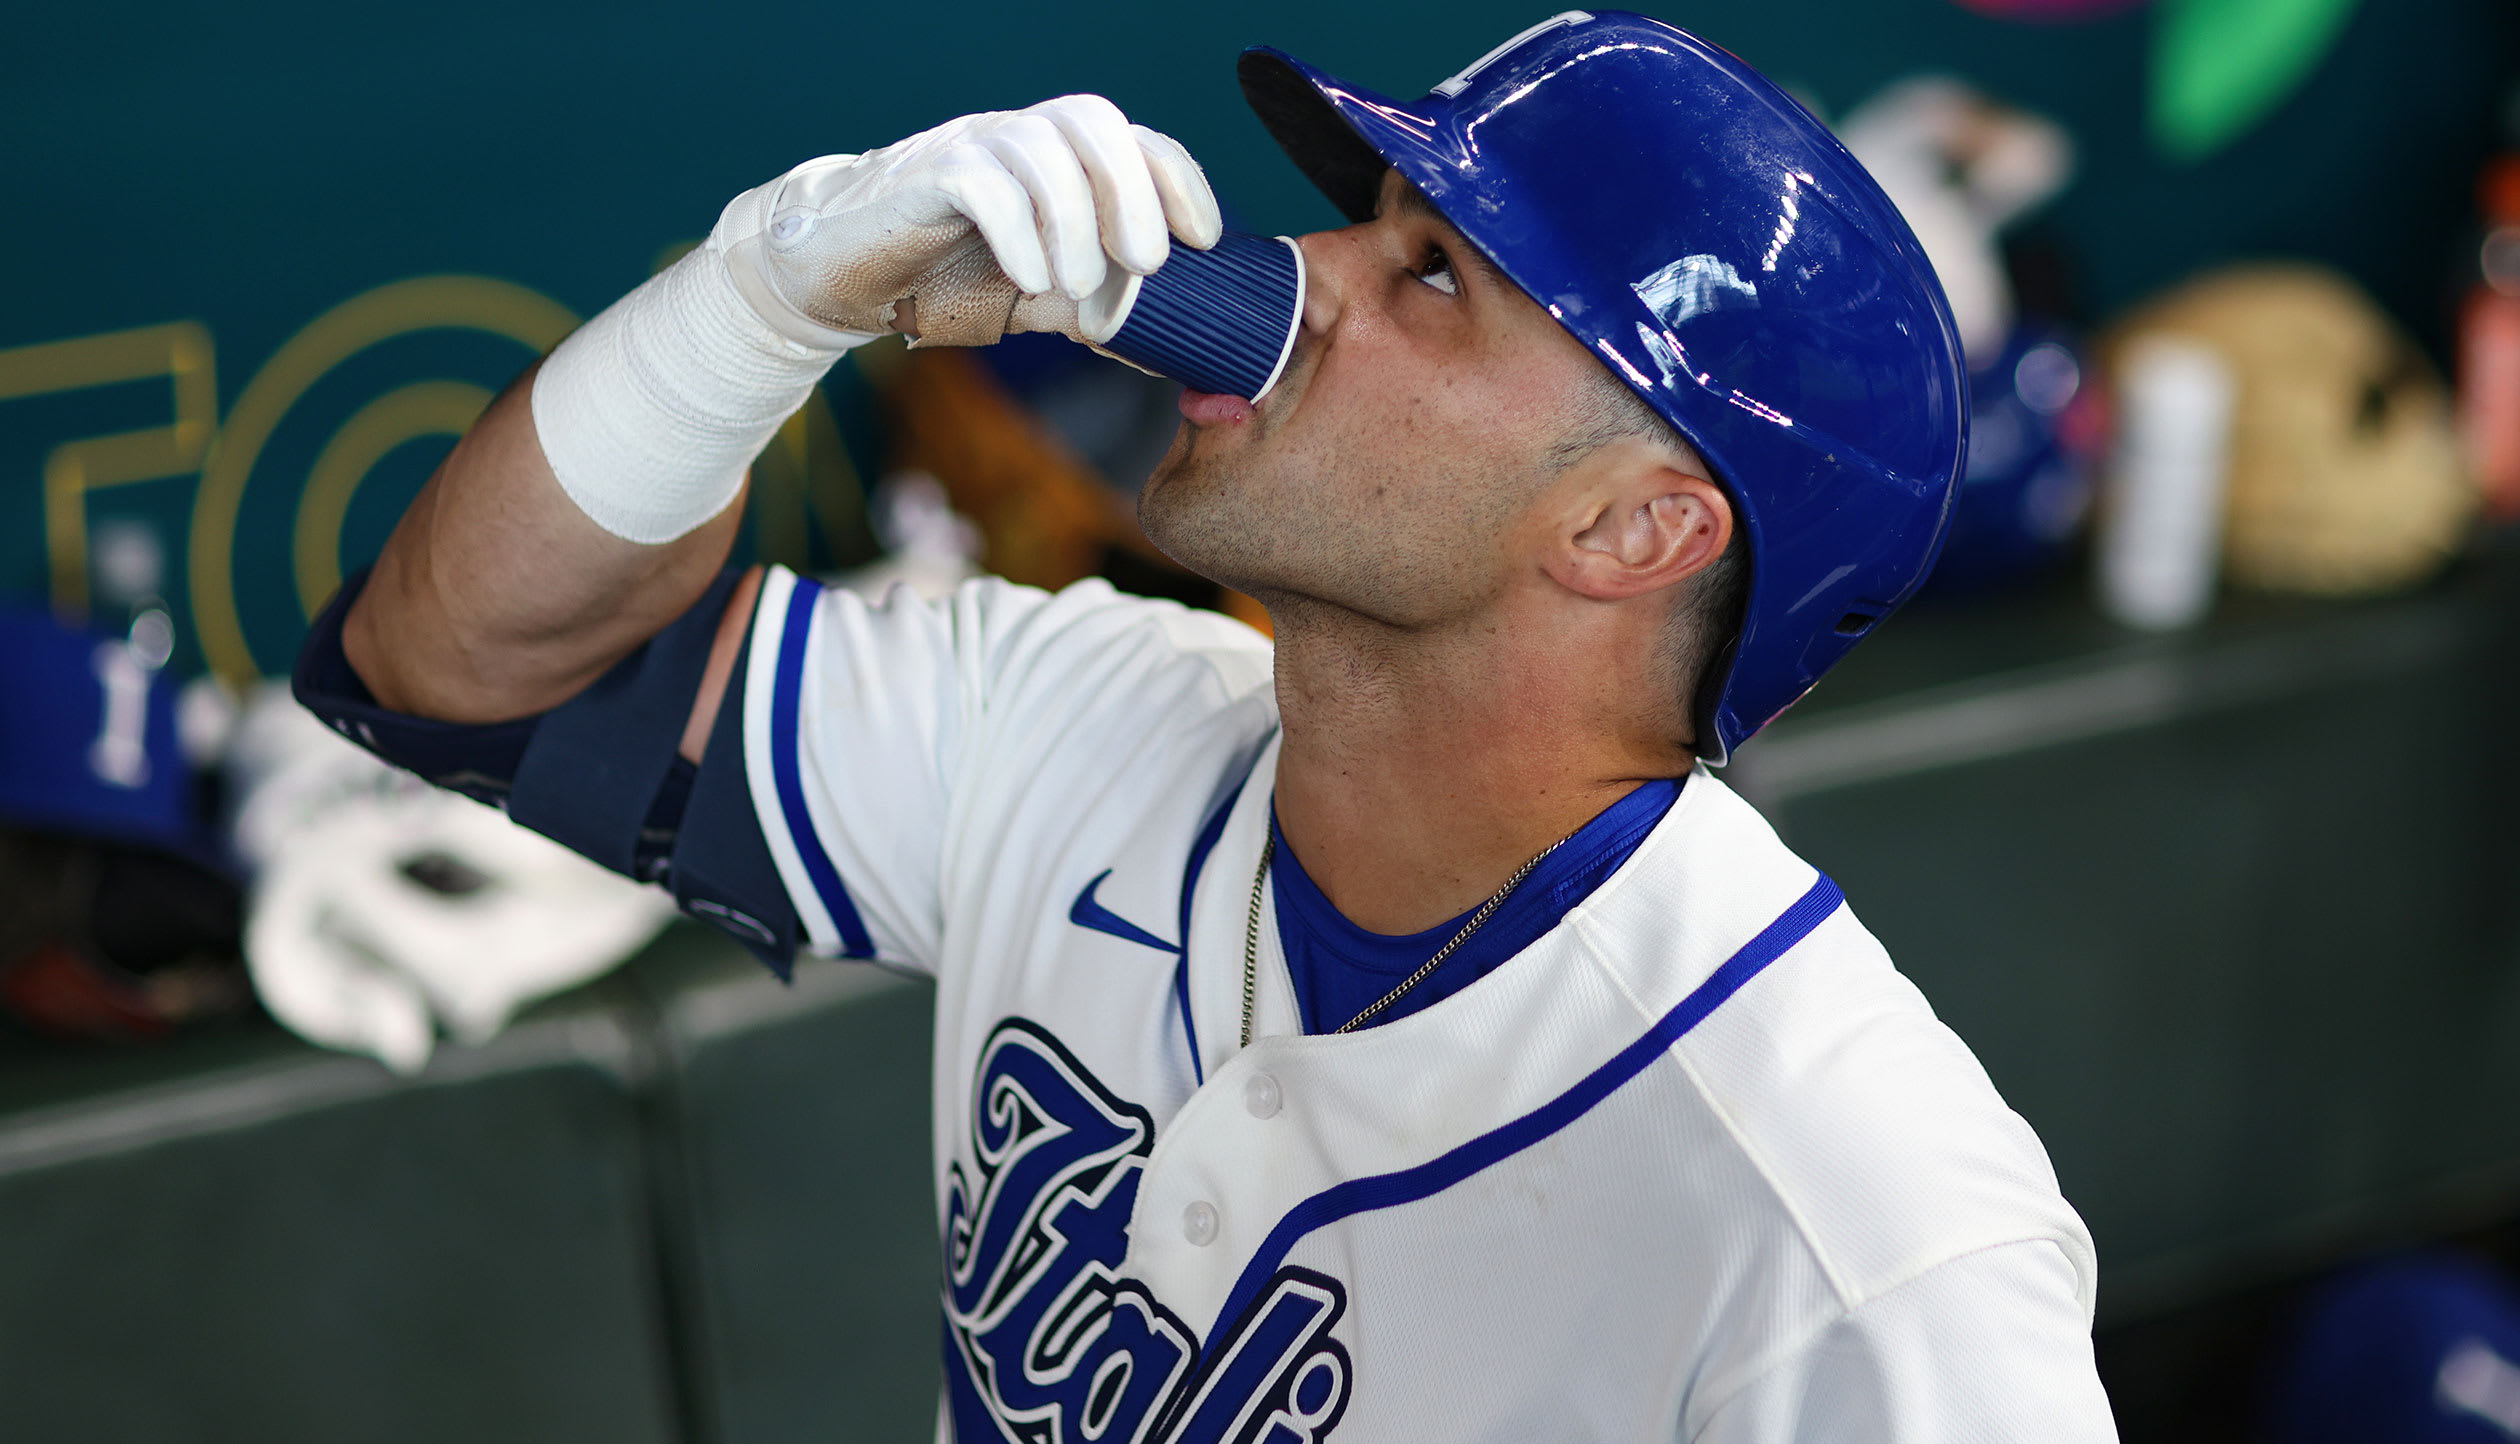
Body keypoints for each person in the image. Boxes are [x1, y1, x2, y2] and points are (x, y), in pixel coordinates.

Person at [297, 10, 2115, 1438]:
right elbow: (463, 664)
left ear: (1632, 530)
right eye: (1367, 222)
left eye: (1431, 278)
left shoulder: (1860, 1237)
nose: (1302, 271)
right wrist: (754, 303)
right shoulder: (1079, 718)